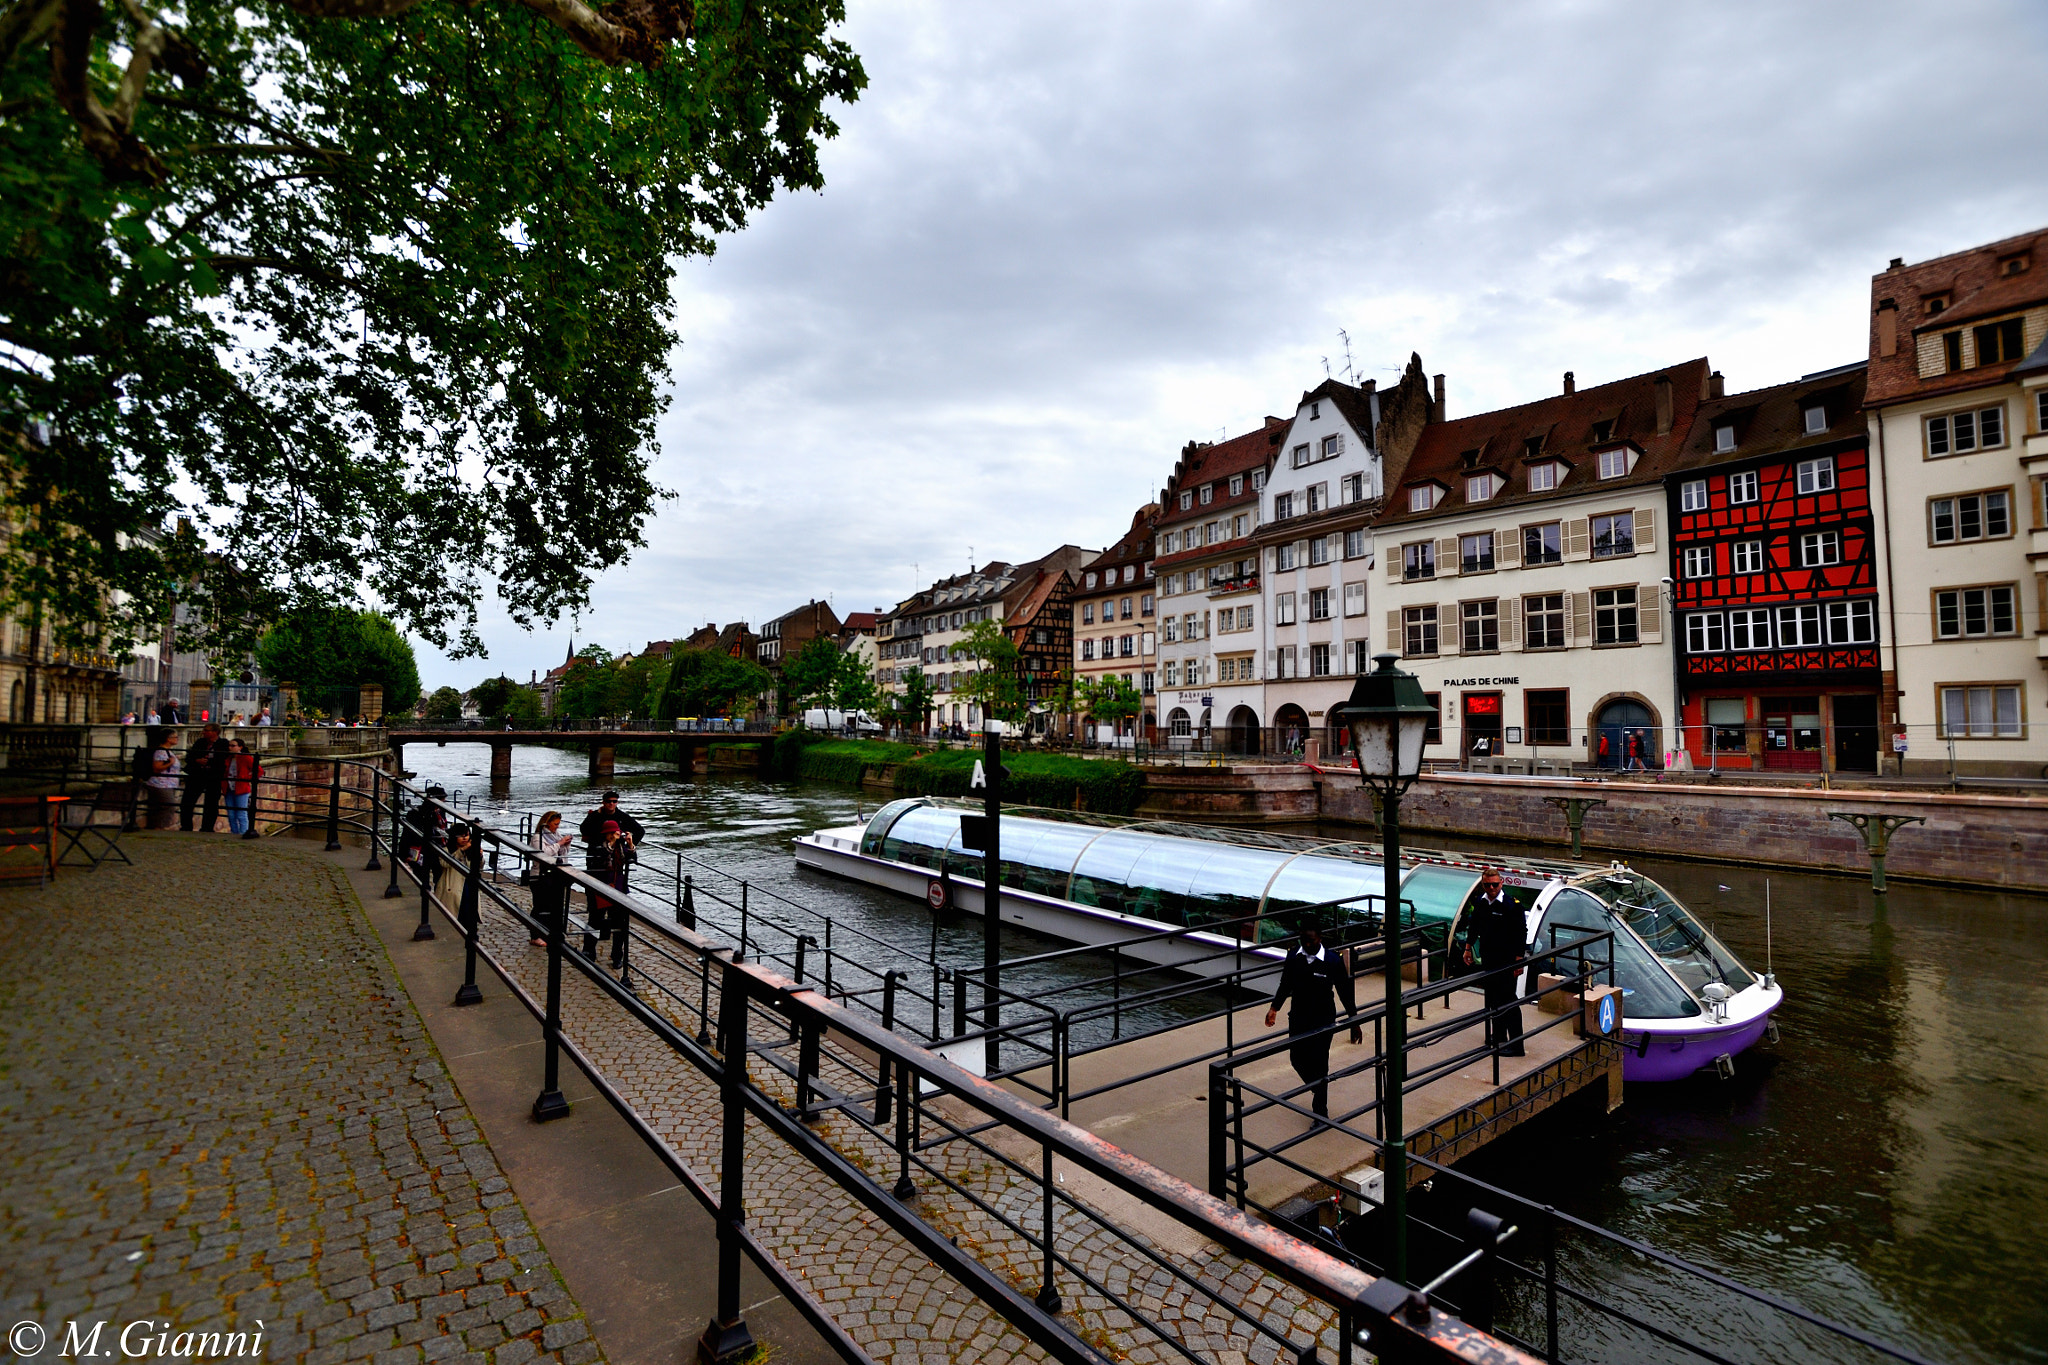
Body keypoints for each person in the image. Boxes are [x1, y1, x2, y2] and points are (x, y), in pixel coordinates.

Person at [1263, 923, 1359, 1120]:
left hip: (1323, 1019)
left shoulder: (1332, 961)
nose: (1308, 945)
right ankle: (1318, 1087)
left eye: (1312, 941)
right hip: (1298, 1016)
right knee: (1296, 1058)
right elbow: (1285, 983)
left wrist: (1354, 1020)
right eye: (1304, 941)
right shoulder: (1293, 957)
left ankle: (1320, 1113)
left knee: (1320, 1063)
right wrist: (1274, 1008)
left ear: (1320, 939)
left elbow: (1344, 992)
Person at [1468, 869, 1527, 1058]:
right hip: (1489, 958)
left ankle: (1517, 1045)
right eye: (1487, 885)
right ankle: (1499, 1034)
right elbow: (1474, 925)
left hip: (1507, 959)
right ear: (1483, 885)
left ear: (1501, 883)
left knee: (1508, 999)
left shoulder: (1512, 905)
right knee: (1493, 997)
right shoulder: (1481, 902)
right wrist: (1468, 947)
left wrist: (1519, 960)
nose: (1491, 888)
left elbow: (1520, 933)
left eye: (1495, 884)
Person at [579, 790, 646, 936]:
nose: (611, 804)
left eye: (614, 801)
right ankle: (591, 947)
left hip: (616, 877)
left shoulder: (621, 817)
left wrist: (629, 843)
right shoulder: (596, 817)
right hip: (598, 873)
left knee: (618, 917)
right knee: (596, 914)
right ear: (604, 802)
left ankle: (616, 953)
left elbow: (638, 838)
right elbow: (583, 829)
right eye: (609, 801)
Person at [594, 819, 637, 967]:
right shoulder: (600, 847)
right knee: (596, 920)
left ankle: (618, 955)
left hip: (618, 888)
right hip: (601, 887)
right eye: (615, 831)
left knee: (620, 923)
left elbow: (632, 859)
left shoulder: (621, 847)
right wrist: (612, 844)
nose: (618, 833)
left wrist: (630, 844)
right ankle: (589, 950)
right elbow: (599, 861)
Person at [528, 811, 573, 946]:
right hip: (540, 876)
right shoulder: (538, 837)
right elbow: (544, 854)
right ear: (547, 823)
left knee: (554, 906)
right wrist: (560, 843)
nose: (557, 827)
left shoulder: (555, 835)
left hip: (555, 876)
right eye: (555, 824)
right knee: (540, 905)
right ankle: (536, 935)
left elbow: (562, 853)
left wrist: (566, 844)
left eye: (558, 824)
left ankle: (550, 932)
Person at [180, 723, 226, 832]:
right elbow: (189, 756)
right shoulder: (200, 742)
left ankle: (207, 828)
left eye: (207, 730)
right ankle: (186, 827)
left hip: (214, 777)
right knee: (187, 802)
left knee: (211, 804)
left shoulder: (223, 744)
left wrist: (210, 762)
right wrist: (197, 760)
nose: (203, 732)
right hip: (197, 775)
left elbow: (223, 760)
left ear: (215, 732)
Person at [221, 738, 259, 836]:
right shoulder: (228, 758)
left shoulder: (246, 758)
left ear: (240, 747)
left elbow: (259, 771)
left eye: (233, 746)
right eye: (229, 746)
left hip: (241, 789)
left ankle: (243, 833)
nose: (230, 748)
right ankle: (234, 833)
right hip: (229, 788)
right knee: (231, 814)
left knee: (241, 813)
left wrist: (247, 777)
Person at [146, 729, 182, 829]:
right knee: (168, 807)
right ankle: (160, 828)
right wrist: (171, 762)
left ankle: (156, 827)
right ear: (168, 739)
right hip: (161, 784)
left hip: (167, 784)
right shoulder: (161, 751)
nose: (177, 739)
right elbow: (157, 768)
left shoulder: (167, 751)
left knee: (160, 808)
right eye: (175, 737)